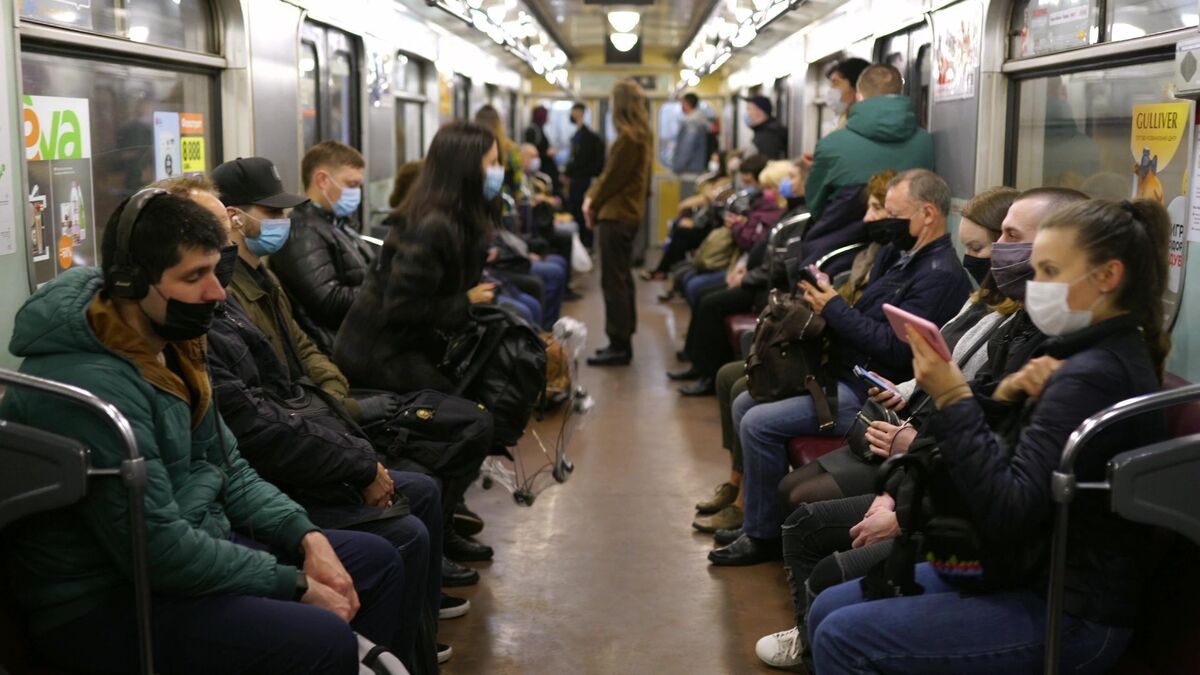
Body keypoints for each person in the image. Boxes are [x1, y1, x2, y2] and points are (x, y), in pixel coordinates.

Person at [1, 190, 407, 674]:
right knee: (321, 637)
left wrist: (305, 536)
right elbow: (157, 550)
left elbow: (229, 466)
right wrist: (291, 584)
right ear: (131, 282)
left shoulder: (172, 344)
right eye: (195, 277)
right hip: (105, 603)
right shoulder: (94, 386)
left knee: (374, 561)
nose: (218, 292)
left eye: (216, 271)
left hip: (188, 552)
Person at [808, 198, 1171, 674]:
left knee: (841, 636)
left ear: (1106, 278)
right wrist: (1003, 395)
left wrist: (954, 397)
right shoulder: (1081, 352)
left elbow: (1007, 507)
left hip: (1070, 607)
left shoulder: (1091, 374)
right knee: (825, 608)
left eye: (1049, 271)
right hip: (1029, 568)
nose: (1035, 286)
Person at [755, 186, 1087, 670]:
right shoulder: (1019, 332)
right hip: (970, 521)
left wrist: (907, 506)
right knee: (817, 567)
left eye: (1011, 241)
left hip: (1022, 575)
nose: (994, 255)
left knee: (838, 611)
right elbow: (983, 442)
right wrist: (906, 483)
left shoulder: (1073, 367)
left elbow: (1007, 496)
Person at [156, 172, 445, 671]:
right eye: (196, 271)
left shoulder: (226, 306)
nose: (215, 288)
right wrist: (288, 574)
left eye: (221, 245)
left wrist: (337, 411)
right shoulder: (170, 347)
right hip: (225, 522)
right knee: (399, 534)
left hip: (252, 486)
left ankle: (408, 651)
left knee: (420, 488)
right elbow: (249, 438)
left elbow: (292, 366)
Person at [710, 169, 973, 567]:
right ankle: (756, 520)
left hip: (867, 393)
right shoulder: (897, 255)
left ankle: (761, 537)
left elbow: (894, 350)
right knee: (745, 402)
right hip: (842, 371)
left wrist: (832, 307)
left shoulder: (939, 278)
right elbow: (864, 315)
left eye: (894, 213)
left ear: (928, 215)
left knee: (757, 422)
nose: (884, 221)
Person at [333, 121, 499, 565]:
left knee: (483, 393)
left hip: (409, 347)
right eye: (492, 163)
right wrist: (464, 300)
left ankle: (446, 519)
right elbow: (402, 309)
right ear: (468, 169)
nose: (498, 171)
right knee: (469, 421)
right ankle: (435, 533)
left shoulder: (456, 217)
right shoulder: (431, 225)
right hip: (380, 355)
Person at [269, 141, 372, 354]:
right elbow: (329, 302)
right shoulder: (303, 232)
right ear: (323, 180)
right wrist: (384, 289)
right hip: (335, 348)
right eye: (351, 185)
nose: (357, 194)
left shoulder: (337, 224)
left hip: (357, 340)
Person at [804, 64, 934, 222]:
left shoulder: (830, 145)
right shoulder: (926, 143)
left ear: (858, 96)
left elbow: (815, 205)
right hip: (907, 240)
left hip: (843, 242)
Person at [584, 79, 654, 367]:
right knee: (623, 278)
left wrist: (592, 202)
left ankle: (618, 343)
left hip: (616, 215)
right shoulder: (643, 135)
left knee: (613, 280)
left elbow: (611, 178)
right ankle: (622, 338)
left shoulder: (627, 138)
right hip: (629, 214)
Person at [564, 102, 605, 249]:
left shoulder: (587, 138)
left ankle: (585, 244)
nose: (571, 115)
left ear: (579, 113)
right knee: (577, 211)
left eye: (573, 111)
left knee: (582, 213)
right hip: (578, 180)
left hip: (582, 181)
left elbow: (580, 160)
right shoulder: (579, 135)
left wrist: (568, 171)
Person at [822, 57, 870, 128]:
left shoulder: (867, 124)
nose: (831, 89)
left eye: (836, 82)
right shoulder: (843, 120)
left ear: (857, 85)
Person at [672, 92, 710, 184]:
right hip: (695, 168)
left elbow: (687, 147)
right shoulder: (700, 120)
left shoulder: (692, 122)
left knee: (688, 197)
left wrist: (678, 166)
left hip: (689, 170)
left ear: (686, 104)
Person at [523, 104, 560, 195]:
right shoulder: (533, 130)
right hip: (542, 167)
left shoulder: (540, 129)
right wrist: (546, 153)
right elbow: (531, 151)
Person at [745, 95, 788, 160]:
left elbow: (767, 164)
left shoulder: (769, 135)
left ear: (759, 111)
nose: (747, 113)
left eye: (749, 109)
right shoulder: (762, 131)